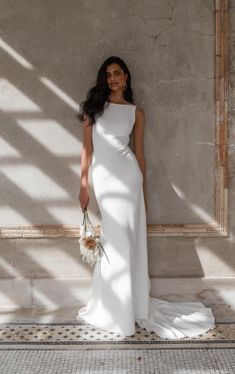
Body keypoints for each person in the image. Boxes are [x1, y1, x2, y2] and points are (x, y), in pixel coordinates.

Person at [76, 56, 216, 339]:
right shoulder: (94, 110)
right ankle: (115, 308)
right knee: (116, 243)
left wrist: (142, 191)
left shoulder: (136, 112)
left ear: (126, 77)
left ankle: (129, 308)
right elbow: (87, 150)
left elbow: (139, 153)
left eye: (117, 73)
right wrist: (83, 186)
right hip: (104, 181)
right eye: (108, 75)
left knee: (128, 243)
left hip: (129, 180)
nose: (112, 78)